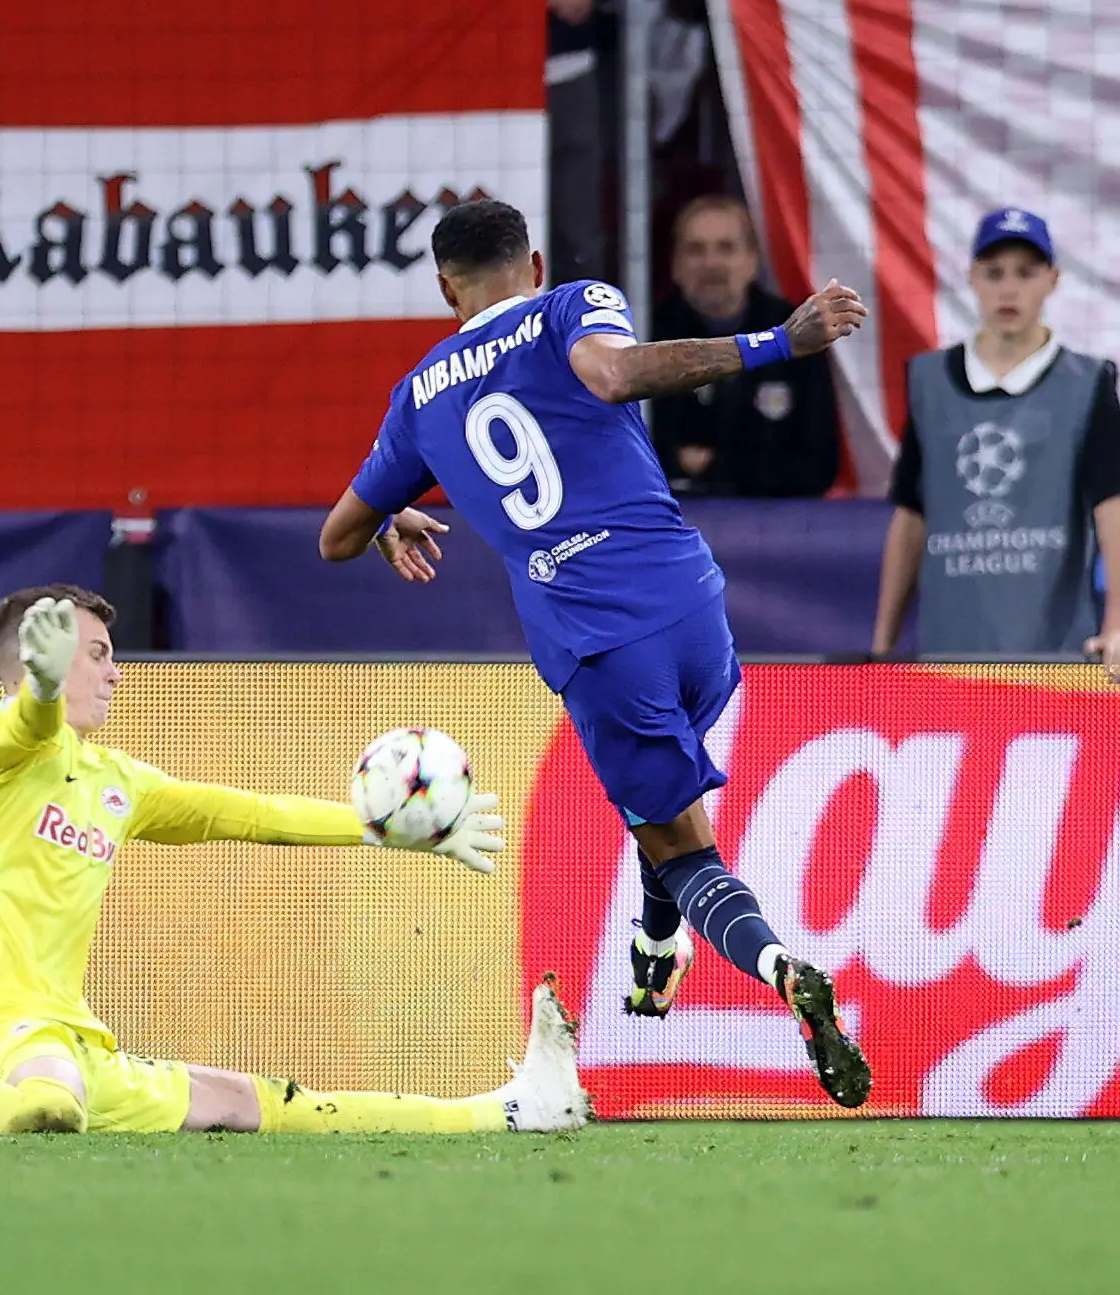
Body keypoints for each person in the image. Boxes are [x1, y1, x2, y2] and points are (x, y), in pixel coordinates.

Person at [317, 199, 874, 1109]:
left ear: (442, 288)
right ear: (532, 264)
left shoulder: (417, 397)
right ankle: (658, 945)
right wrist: (773, 339)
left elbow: (336, 537)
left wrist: (390, 513)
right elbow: (609, 372)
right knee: (664, 812)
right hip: (693, 607)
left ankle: (777, 968)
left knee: (687, 852)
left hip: (597, 645)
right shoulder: (571, 303)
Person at [0, 585, 589, 1137]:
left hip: (82, 1044)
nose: (115, 671)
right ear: (37, 660)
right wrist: (41, 690)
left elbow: (251, 816)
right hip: (0, 1041)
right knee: (46, 1102)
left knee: (255, 1102)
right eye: (94, 652)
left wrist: (382, 830)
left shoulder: (116, 781)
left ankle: (512, 1110)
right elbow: (25, 722)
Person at [870, 207, 1120, 674]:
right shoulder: (930, 382)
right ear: (972, 278)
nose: (1009, 288)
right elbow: (910, 514)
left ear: (1053, 279)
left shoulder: (1088, 384)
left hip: (1054, 661)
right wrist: (882, 645)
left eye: (1026, 273)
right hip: (948, 654)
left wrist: (1117, 624)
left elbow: (1112, 506)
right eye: (995, 272)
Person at [649, 196, 841, 497]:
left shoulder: (795, 334)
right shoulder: (646, 335)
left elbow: (820, 464)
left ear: (753, 261)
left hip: (773, 527)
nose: (711, 263)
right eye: (696, 250)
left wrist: (717, 465)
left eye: (726, 248)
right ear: (675, 265)